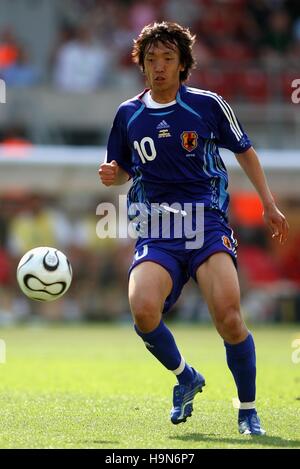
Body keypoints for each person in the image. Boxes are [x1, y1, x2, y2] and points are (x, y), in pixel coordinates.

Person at [99, 22, 289, 435]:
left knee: (229, 317)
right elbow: (124, 171)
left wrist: (269, 203)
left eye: (168, 58)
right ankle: (186, 376)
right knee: (143, 310)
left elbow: (245, 151)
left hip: (206, 222)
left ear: (184, 64)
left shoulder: (208, 105)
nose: (159, 67)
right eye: (151, 60)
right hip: (157, 228)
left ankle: (247, 410)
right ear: (142, 66)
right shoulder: (127, 114)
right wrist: (113, 175)